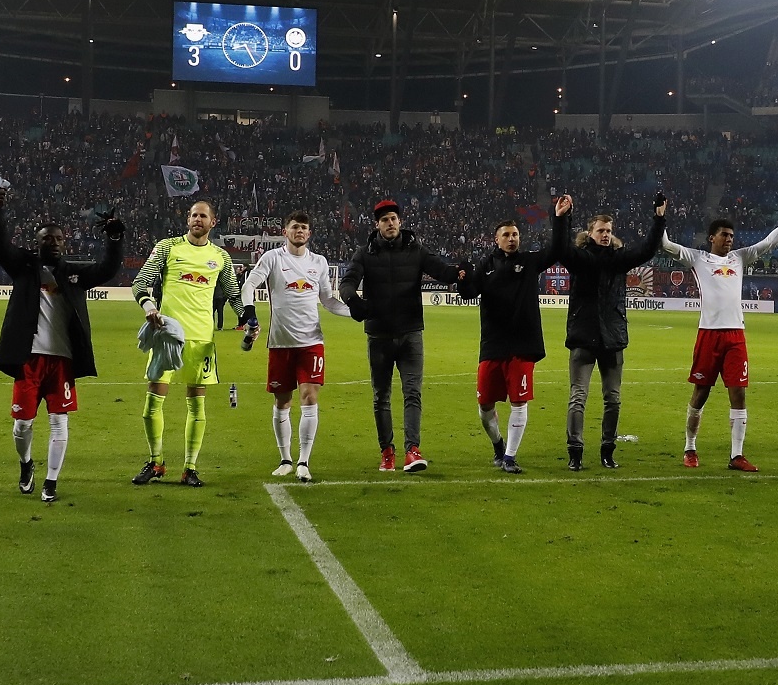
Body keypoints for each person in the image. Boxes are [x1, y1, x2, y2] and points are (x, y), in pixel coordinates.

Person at [0, 185, 124, 503]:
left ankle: (51, 481)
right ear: (37, 242)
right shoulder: (22, 266)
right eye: (48, 238)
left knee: (59, 422)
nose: (55, 243)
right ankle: (26, 465)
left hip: (62, 361)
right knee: (22, 425)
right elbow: (0, 243)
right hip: (28, 358)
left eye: (60, 239)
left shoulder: (72, 273)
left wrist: (114, 239)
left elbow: (108, 269)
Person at [660, 203, 778, 470]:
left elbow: (768, 243)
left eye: (732, 236)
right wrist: (660, 217)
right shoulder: (697, 258)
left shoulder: (739, 258)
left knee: (739, 394)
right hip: (709, 334)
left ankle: (737, 455)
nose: (729, 240)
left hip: (736, 335)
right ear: (712, 237)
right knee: (701, 393)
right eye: (724, 235)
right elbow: (665, 244)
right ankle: (690, 447)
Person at [131, 199, 251, 488]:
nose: (198, 219)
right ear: (188, 220)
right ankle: (156, 461)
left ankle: (190, 468)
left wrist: (247, 319)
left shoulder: (220, 257)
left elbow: (234, 296)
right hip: (167, 336)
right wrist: (149, 306)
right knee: (152, 402)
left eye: (203, 216)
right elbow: (139, 283)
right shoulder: (167, 248)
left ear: (213, 222)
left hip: (202, 339)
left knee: (197, 406)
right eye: (194, 215)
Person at [340, 198, 464, 473]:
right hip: (379, 336)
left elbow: (441, 270)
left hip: (410, 333)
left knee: (412, 393)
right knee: (381, 396)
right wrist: (352, 300)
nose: (390, 223)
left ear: (400, 222)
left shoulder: (416, 249)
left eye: (393, 218)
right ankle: (387, 452)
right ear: (377, 225)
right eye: (385, 220)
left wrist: (459, 272)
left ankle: (412, 450)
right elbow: (347, 282)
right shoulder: (365, 253)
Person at [457, 198, 572, 473]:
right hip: (493, 345)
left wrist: (558, 218)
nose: (512, 239)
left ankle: (509, 457)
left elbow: (556, 249)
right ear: (496, 240)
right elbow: (468, 293)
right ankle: (498, 443)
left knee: (519, 401)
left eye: (515, 234)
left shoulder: (530, 262)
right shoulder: (485, 266)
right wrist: (462, 278)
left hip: (522, 345)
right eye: (506, 235)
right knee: (485, 406)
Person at [551, 194, 665, 470]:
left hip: (612, 337)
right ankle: (575, 452)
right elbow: (561, 249)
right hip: (584, 336)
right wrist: (562, 218)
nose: (605, 234)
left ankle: (607, 450)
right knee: (578, 396)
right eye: (600, 230)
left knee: (612, 399)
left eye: (609, 231)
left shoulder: (618, 259)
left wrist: (659, 219)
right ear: (589, 233)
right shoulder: (580, 259)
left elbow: (648, 250)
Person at [238, 211, 350, 484]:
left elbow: (328, 301)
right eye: (295, 227)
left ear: (309, 234)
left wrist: (357, 311)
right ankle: (285, 459)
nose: (300, 231)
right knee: (282, 401)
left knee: (310, 398)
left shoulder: (319, 262)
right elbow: (249, 283)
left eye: (304, 228)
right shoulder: (273, 258)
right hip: (280, 343)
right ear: (285, 232)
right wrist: (249, 312)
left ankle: (303, 461)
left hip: (311, 342)